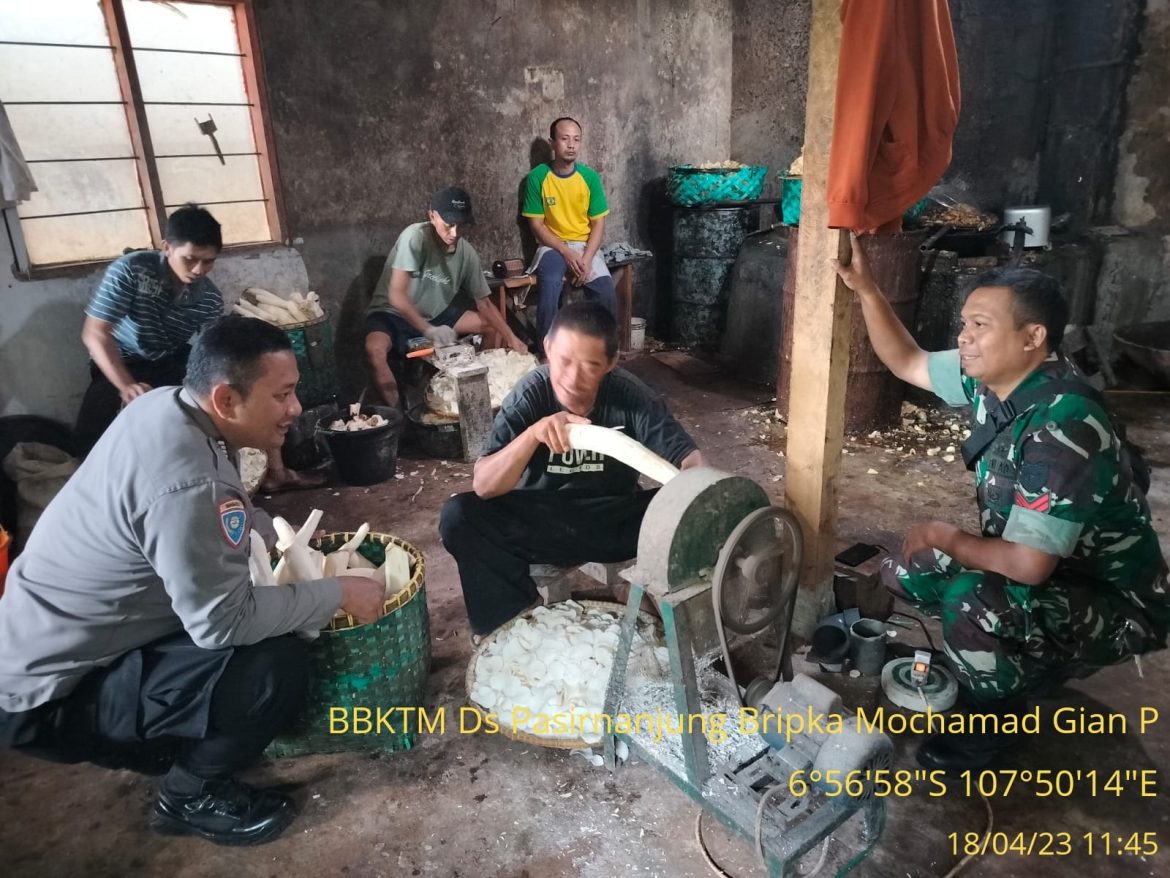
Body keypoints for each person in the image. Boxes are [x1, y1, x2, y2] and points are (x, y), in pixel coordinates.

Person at [0, 316, 385, 845]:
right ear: (227, 399)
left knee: (267, 607)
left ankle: (171, 735)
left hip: (51, 645)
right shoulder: (189, 484)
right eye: (284, 395)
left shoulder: (169, 407)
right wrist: (336, 592)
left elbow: (233, 513)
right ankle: (189, 795)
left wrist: (281, 539)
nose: (295, 410)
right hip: (48, 700)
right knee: (272, 665)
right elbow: (222, 624)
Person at [834, 234, 1169, 771]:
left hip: (1114, 599)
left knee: (971, 602)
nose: (964, 338)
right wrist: (868, 290)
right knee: (911, 571)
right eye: (965, 324)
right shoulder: (996, 382)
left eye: (980, 326)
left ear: (1033, 336)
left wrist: (949, 536)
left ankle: (994, 726)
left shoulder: (1066, 422)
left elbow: (1029, 566)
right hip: (1054, 567)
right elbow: (907, 363)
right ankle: (1017, 655)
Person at [439, 302, 705, 637]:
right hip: (544, 522)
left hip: (614, 518)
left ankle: (675, 622)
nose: (573, 378)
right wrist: (534, 434)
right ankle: (512, 627)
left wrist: (699, 494)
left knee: (693, 505)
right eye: (563, 361)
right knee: (459, 516)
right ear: (548, 348)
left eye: (590, 366)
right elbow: (485, 486)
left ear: (610, 363)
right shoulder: (530, 396)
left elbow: (693, 463)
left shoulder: (631, 396)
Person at [74, 203, 318, 491]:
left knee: (247, 393)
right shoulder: (131, 271)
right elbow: (95, 334)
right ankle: (98, 489)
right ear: (166, 247)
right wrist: (127, 386)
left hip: (172, 360)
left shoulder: (208, 299)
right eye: (190, 259)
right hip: (122, 362)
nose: (198, 269)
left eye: (208, 261)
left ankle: (275, 473)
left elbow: (216, 354)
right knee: (91, 430)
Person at [364, 186, 527, 407]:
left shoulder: (466, 253)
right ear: (432, 215)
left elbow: (485, 303)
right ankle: (398, 418)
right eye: (448, 225)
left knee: (491, 326)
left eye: (461, 226)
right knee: (374, 350)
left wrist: (512, 338)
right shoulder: (415, 237)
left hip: (435, 314)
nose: (454, 233)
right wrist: (428, 330)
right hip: (392, 313)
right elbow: (396, 295)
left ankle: (477, 386)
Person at [522, 117, 617, 342]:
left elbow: (598, 224)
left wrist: (586, 258)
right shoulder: (537, 178)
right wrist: (566, 251)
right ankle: (546, 350)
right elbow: (536, 224)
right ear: (553, 143)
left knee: (605, 292)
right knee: (552, 282)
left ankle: (604, 350)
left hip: (585, 246)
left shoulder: (589, 178)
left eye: (576, 139)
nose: (571, 145)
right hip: (552, 246)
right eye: (565, 139)